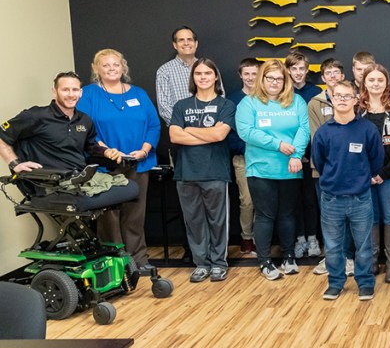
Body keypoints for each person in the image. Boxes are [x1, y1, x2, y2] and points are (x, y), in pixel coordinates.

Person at [77, 49, 161, 271]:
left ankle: (139, 261)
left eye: (116, 64)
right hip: (105, 165)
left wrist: (144, 150)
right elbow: (84, 128)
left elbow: (154, 125)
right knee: (109, 216)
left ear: (123, 67)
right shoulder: (88, 95)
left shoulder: (139, 94)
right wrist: (107, 151)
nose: (111, 69)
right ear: (96, 68)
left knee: (135, 214)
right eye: (106, 65)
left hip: (137, 163)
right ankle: (114, 263)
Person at [0, 72, 129, 206]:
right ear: (54, 92)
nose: (71, 94)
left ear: (80, 92)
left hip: (81, 177)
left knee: (131, 188)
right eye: (65, 90)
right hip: (54, 183)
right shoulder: (36, 115)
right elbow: (2, 136)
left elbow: (90, 146)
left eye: (75, 90)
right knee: (87, 200)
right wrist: (15, 164)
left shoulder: (85, 120)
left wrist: (106, 152)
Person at [236, 59, 310, 280]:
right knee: (265, 216)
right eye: (270, 78)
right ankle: (265, 261)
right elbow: (246, 132)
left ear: (286, 80)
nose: (275, 82)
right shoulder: (249, 103)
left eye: (279, 78)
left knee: (288, 214)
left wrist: (296, 155)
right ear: (262, 79)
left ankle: (288, 257)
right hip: (261, 169)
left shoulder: (296, 101)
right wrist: (278, 144)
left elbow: (304, 130)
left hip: (290, 167)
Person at [312, 80, 384, 301]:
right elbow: (319, 162)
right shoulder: (323, 132)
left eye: (347, 96)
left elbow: (376, 160)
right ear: (331, 99)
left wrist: (363, 178)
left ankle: (365, 283)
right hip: (331, 199)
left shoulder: (367, 129)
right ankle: (335, 283)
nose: (342, 100)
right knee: (333, 247)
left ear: (355, 100)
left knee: (364, 246)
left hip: (361, 198)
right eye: (338, 96)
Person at [169, 58, 236, 283]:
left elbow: (219, 135)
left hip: (215, 171)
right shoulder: (181, 106)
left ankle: (218, 263)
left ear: (215, 77)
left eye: (208, 73)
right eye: (198, 73)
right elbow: (174, 136)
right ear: (193, 77)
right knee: (194, 221)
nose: (203, 77)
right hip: (186, 173)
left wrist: (188, 129)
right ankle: (201, 264)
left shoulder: (226, 105)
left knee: (218, 221)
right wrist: (207, 133)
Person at [357, 64, 390, 283]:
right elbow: (353, 143)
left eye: (380, 80)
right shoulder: (357, 110)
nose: (376, 84)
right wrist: (368, 173)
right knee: (371, 217)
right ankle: (372, 261)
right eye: (371, 80)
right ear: (364, 83)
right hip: (364, 175)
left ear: (387, 83)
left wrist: (384, 173)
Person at [307, 58, 345, 275]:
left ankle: (349, 256)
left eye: (336, 72)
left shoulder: (354, 99)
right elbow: (317, 138)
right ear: (323, 78)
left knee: (350, 216)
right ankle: (331, 259)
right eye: (328, 73)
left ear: (342, 76)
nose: (332, 76)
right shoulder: (315, 103)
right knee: (329, 216)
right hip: (324, 169)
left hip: (349, 169)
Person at [285, 51, 322, 260]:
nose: (298, 73)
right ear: (288, 70)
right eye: (294, 68)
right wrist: (295, 153)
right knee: (293, 200)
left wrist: (306, 154)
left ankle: (313, 238)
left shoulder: (315, 92)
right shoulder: (283, 92)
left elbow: (316, 128)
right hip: (289, 155)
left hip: (310, 157)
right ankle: (299, 239)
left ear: (307, 70)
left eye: (302, 68)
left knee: (310, 199)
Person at [226, 58, 259, 255]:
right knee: (247, 200)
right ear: (240, 75)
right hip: (243, 157)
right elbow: (229, 134)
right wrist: (246, 149)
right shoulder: (232, 100)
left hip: (266, 157)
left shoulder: (267, 98)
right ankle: (247, 237)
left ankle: (261, 238)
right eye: (246, 74)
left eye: (254, 73)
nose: (250, 77)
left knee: (264, 200)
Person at [156, 26, 199, 126]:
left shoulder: (208, 68)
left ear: (196, 43)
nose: (186, 43)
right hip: (181, 130)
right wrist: (184, 126)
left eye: (189, 39)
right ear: (175, 45)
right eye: (181, 40)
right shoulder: (164, 71)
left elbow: (220, 96)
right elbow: (164, 106)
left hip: (209, 129)